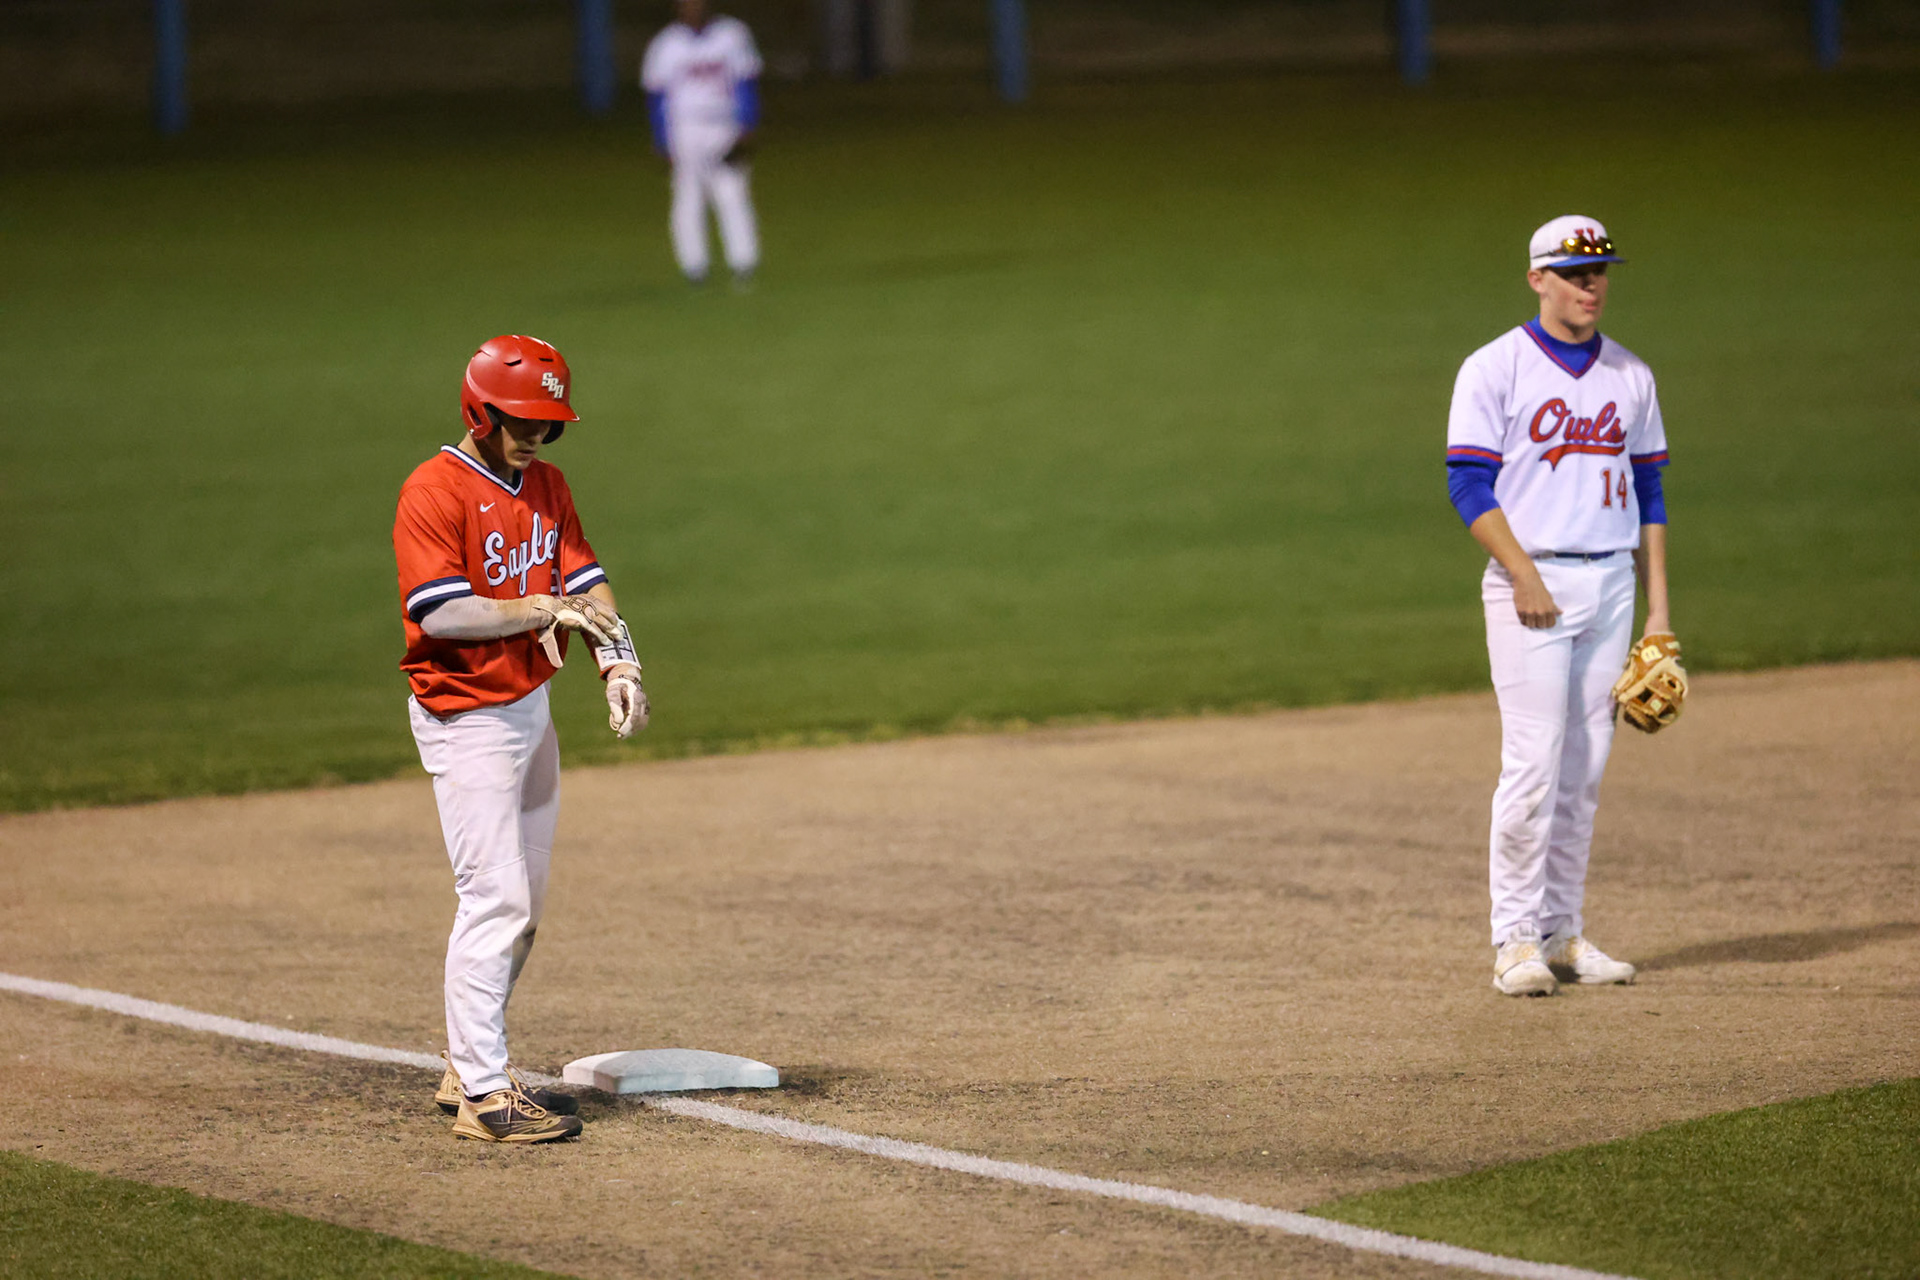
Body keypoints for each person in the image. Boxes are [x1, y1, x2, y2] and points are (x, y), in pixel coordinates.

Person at [393, 334, 649, 1140]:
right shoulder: (433, 491)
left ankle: (468, 1063)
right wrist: (539, 610)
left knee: (525, 908)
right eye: (521, 418)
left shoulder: (547, 486)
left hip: (528, 710)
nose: (536, 434)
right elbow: (441, 611)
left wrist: (621, 662)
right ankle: (481, 1096)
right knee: (495, 900)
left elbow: (585, 580)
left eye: (549, 420)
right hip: (466, 717)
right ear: (481, 409)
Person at [1444, 216, 1674, 997]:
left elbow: (1650, 494)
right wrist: (1521, 574)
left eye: (1600, 270)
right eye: (1575, 273)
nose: (1591, 285)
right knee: (1534, 767)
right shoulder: (1494, 368)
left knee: (1584, 771)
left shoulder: (1630, 376)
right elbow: (1467, 485)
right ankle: (1513, 940)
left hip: (1612, 585)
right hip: (1528, 587)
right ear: (1537, 278)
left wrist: (1658, 613)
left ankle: (1561, 931)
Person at [642, 0, 763, 287]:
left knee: (732, 193)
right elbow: (657, 96)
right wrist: (661, 139)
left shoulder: (731, 34)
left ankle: (743, 263)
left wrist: (747, 125)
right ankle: (695, 267)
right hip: (684, 127)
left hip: (723, 123)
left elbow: (745, 82)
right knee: (687, 197)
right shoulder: (666, 44)